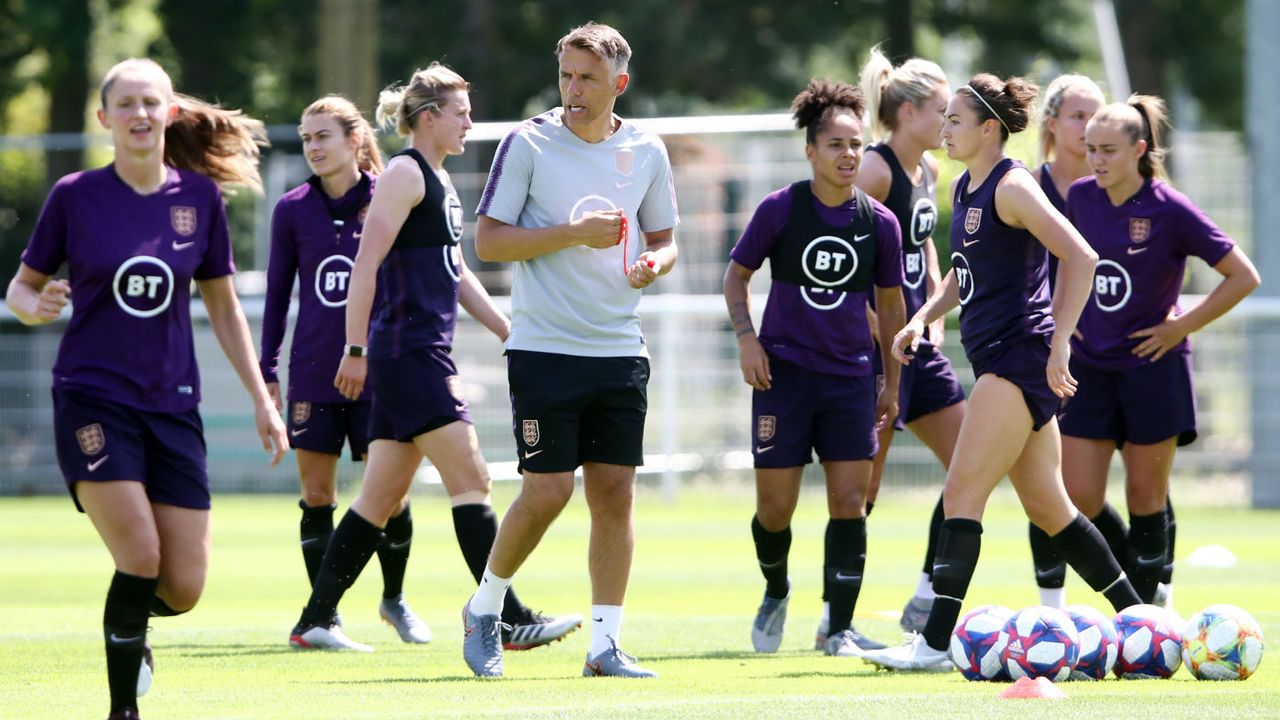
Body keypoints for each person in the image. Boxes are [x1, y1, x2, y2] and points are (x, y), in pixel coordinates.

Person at [4, 58, 288, 720]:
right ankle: (121, 710)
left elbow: (222, 308)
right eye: (125, 104)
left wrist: (261, 397)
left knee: (183, 586)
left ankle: (133, 620)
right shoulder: (74, 195)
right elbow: (22, 286)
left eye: (150, 102)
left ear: (170, 114)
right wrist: (31, 306)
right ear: (104, 118)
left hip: (173, 404)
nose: (138, 114)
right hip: (92, 396)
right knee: (139, 553)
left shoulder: (199, 200)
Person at [287, 65, 582, 653]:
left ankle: (315, 619)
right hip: (410, 355)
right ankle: (508, 617)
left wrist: (506, 328)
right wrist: (354, 348)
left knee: (376, 499)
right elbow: (364, 266)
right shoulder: (402, 172)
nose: (469, 121)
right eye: (460, 112)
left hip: (419, 353)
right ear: (428, 118)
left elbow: (457, 272)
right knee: (470, 478)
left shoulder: (439, 179)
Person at [861, 74, 1143, 672]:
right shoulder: (965, 185)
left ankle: (933, 644)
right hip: (1005, 358)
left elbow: (1082, 257)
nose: (944, 129)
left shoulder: (1013, 186)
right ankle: (1141, 617)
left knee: (963, 492)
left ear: (990, 129)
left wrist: (1061, 342)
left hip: (1019, 358)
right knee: (1051, 508)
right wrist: (920, 319)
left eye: (955, 121)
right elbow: (963, 274)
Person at [461, 22, 679, 679]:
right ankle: (486, 609)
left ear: (620, 83)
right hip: (544, 347)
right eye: (566, 76)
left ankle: (605, 646)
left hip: (618, 347)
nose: (573, 89)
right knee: (549, 490)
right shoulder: (530, 142)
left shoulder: (646, 149)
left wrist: (653, 264)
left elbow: (666, 240)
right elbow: (490, 243)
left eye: (587, 77)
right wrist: (572, 234)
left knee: (614, 493)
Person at [1049, 95, 1259, 606]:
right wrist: (1065, 324)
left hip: (1153, 369)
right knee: (1077, 496)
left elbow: (1242, 276)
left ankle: (1145, 613)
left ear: (1139, 150)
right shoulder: (1079, 197)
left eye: (1108, 151)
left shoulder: (1170, 209)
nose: (1096, 160)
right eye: (1090, 149)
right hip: (1090, 369)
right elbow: (1061, 264)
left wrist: (1180, 326)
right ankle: (1143, 590)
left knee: (1146, 495)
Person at [726, 79, 906, 658]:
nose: (848, 155)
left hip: (851, 378)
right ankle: (776, 588)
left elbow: (892, 304)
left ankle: (839, 628)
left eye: (856, 144)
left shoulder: (879, 222)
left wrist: (890, 383)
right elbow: (736, 277)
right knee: (774, 510)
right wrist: (748, 340)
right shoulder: (781, 209)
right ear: (811, 151)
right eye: (835, 144)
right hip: (784, 378)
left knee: (850, 502)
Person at [261, 95, 433, 643]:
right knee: (317, 495)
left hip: (378, 367)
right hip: (313, 371)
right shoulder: (291, 209)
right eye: (306, 138)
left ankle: (394, 600)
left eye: (322, 136)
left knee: (391, 494)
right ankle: (324, 618)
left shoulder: (389, 195)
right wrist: (267, 369)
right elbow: (276, 296)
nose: (312, 147)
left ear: (355, 139)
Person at [846, 46, 966, 638]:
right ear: (911, 111)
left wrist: (932, 318)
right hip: (877, 353)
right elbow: (844, 254)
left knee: (970, 462)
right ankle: (834, 618)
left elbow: (924, 248)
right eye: (944, 111)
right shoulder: (875, 168)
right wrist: (875, 317)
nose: (949, 124)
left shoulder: (929, 171)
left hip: (919, 345)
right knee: (863, 486)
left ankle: (924, 594)